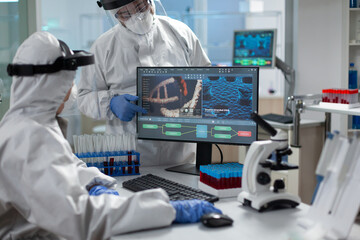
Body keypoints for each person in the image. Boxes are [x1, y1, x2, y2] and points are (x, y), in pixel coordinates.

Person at [0, 31, 221, 240]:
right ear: (55, 85)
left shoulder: (23, 125)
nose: (72, 89)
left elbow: (61, 167)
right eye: (70, 81)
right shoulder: (31, 138)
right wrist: (167, 209)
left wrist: (94, 182)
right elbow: (82, 219)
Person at [78, 0, 211, 166]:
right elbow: (84, 97)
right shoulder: (103, 47)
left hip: (181, 156)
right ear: (116, 16)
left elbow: (207, 79)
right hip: (128, 159)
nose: (136, 17)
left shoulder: (180, 33)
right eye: (125, 14)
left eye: (140, 6)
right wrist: (110, 103)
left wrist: (190, 98)